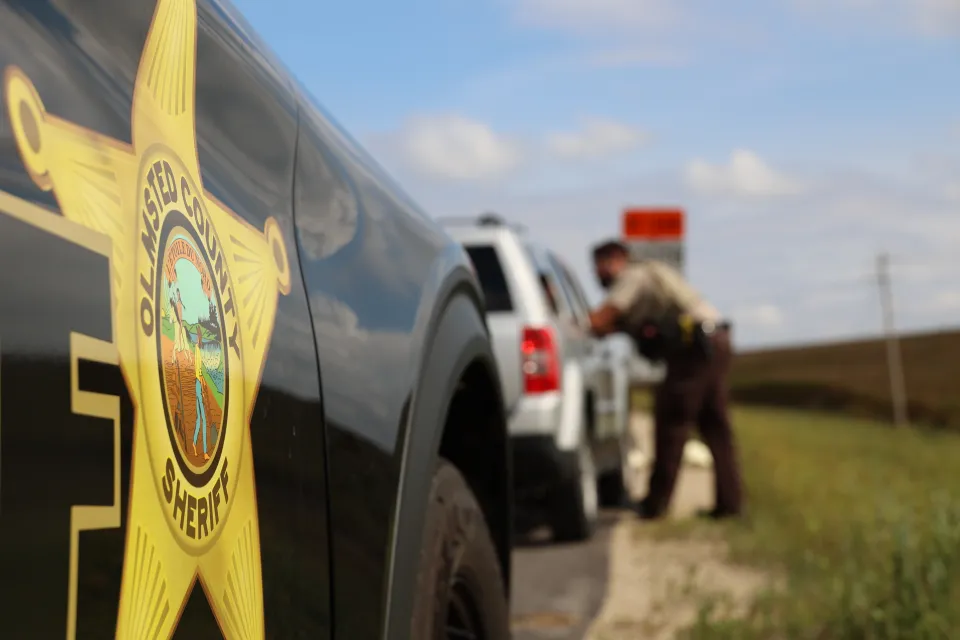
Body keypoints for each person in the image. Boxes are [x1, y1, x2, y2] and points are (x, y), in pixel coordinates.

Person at [587, 239, 743, 520]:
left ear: (614, 260)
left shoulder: (633, 276)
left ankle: (655, 506)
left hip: (694, 348)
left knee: (672, 423)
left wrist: (579, 325)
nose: (597, 274)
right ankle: (730, 505)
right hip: (715, 341)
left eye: (599, 266)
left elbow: (603, 318)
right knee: (714, 425)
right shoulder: (651, 274)